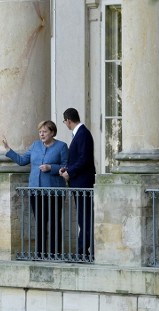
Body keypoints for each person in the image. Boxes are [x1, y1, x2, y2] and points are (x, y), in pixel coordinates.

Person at [3, 120, 69, 258]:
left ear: (52, 132)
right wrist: (9, 150)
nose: (41, 134)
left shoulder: (61, 146)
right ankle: (40, 253)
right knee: (39, 222)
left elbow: (66, 166)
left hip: (54, 191)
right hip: (35, 190)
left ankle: (55, 253)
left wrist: (51, 168)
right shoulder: (35, 145)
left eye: (44, 131)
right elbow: (22, 161)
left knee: (54, 222)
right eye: (40, 132)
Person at [59, 108, 96, 261]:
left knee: (85, 217)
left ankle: (84, 251)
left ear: (68, 120)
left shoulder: (83, 134)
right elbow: (78, 159)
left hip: (82, 182)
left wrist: (70, 172)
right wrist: (66, 169)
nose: (65, 124)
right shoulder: (80, 134)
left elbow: (84, 159)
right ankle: (83, 250)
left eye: (64, 122)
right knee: (83, 217)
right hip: (78, 181)